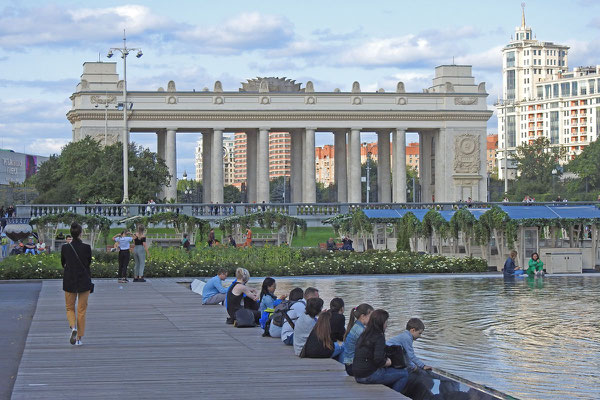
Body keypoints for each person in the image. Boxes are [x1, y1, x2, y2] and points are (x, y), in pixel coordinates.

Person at [353, 309, 408, 393]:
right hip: (368, 376)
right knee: (404, 374)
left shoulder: (364, 334)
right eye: (386, 322)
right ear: (381, 323)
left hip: (357, 375)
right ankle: (393, 397)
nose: (387, 325)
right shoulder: (379, 337)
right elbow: (378, 360)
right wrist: (388, 362)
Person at [61, 222, 93, 346]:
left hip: (69, 280)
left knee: (69, 308)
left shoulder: (65, 247)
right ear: (80, 233)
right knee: (81, 310)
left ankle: (73, 327)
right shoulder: (87, 247)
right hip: (84, 280)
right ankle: (79, 338)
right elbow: (88, 263)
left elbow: (63, 263)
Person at [387, 318, 435, 399]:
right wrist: (422, 366)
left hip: (392, 357)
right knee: (406, 374)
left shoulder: (405, 336)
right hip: (389, 356)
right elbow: (411, 355)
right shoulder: (407, 338)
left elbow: (406, 355)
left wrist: (412, 366)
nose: (420, 336)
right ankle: (394, 396)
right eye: (419, 333)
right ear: (412, 330)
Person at [342, 303, 374, 376]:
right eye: (371, 317)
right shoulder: (360, 330)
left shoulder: (356, 326)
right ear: (363, 316)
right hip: (353, 367)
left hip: (349, 366)